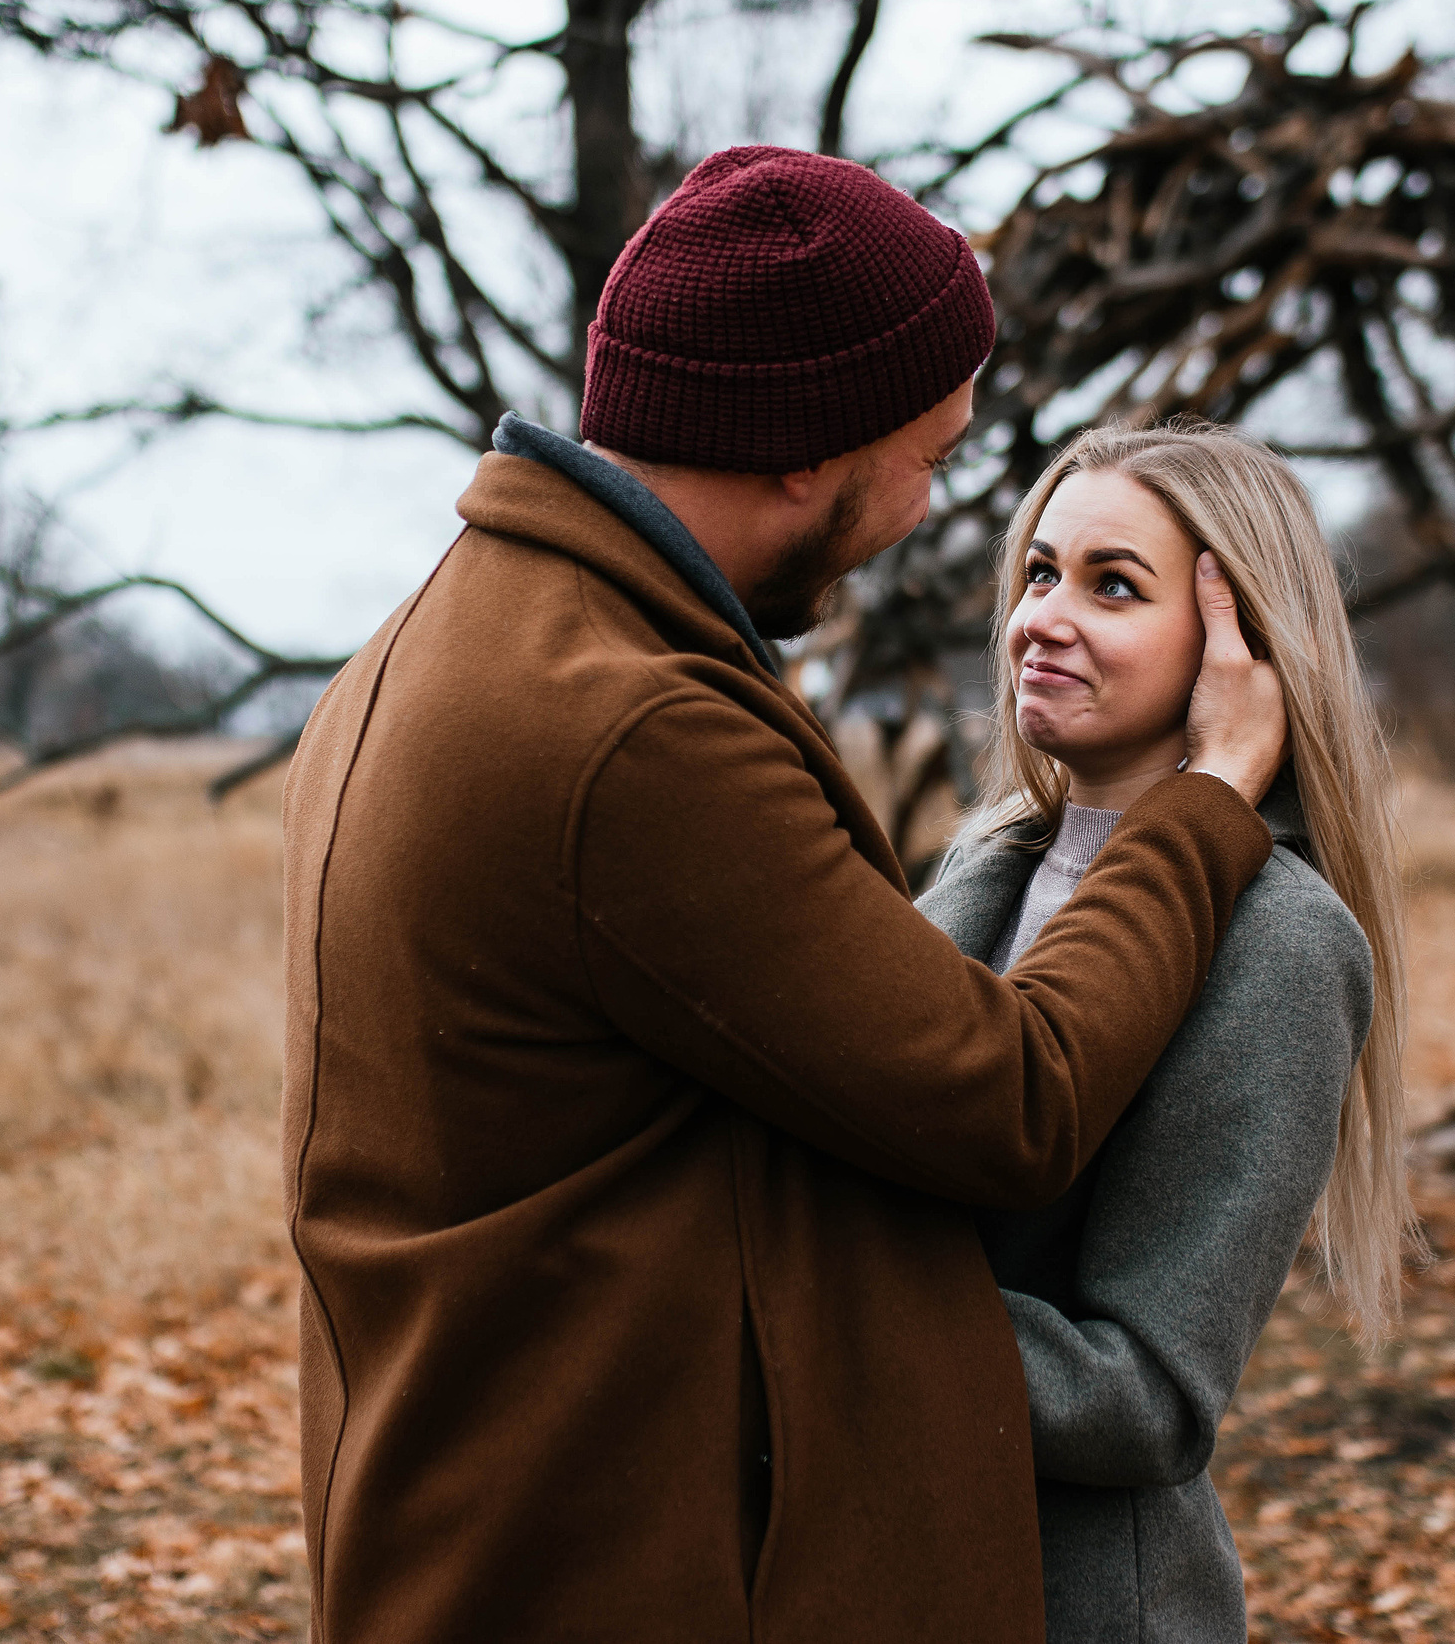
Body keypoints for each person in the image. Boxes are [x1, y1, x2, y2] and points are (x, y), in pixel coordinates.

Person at [276, 147, 1291, 1642]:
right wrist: (1208, 806)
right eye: (929, 457)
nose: (930, 500)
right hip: (598, 1557)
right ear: (807, 449)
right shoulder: (628, 727)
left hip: (479, 1512)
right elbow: (1009, 1096)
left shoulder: (442, 640)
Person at [917, 421, 1418, 1644]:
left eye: (1114, 586)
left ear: (1233, 642)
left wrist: (818, 1310)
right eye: (1039, 572)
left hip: (1074, 1603)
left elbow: (1143, 1395)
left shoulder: (1279, 944)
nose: (1043, 616)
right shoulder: (984, 868)